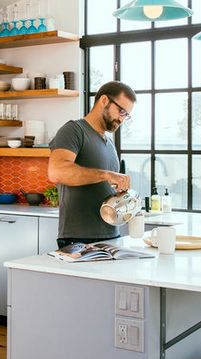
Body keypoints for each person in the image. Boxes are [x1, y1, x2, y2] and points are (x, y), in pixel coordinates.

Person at [48, 81, 136, 249]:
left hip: (111, 236)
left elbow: (102, 188)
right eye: (121, 111)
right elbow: (56, 172)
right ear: (104, 100)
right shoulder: (73, 130)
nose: (121, 119)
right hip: (78, 240)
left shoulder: (109, 143)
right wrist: (107, 175)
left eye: (126, 115)